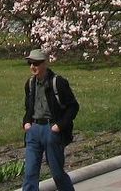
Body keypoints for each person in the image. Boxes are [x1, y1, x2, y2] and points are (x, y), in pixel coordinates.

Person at [21, 48, 80, 191]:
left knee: (57, 173)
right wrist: (27, 123)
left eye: (36, 63)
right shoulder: (30, 84)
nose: (32, 66)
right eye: (30, 63)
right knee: (30, 174)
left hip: (51, 130)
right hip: (34, 130)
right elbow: (29, 107)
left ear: (44, 64)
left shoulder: (57, 82)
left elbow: (73, 107)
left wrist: (59, 126)